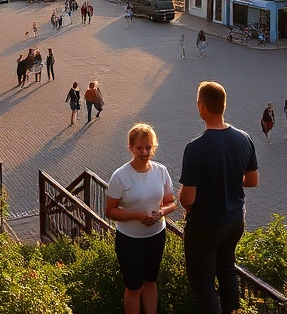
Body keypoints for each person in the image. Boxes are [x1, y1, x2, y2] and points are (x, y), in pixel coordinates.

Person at [178, 81, 259, 314]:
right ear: (224, 105)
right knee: (227, 270)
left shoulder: (196, 147)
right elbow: (252, 180)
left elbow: (187, 200)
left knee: (203, 284)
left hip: (205, 225)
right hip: (235, 221)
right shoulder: (244, 138)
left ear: (202, 107)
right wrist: (230, 180)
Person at [105, 124, 176, 314]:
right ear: (130, 148)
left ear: (154, 146)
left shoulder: (161, 171)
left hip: (156, 236)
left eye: (148, 147)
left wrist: (161, 213)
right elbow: (110, 211)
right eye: (139, 148)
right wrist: (137, 215)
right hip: (129, 240)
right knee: (134, 287)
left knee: (151, 282)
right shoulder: (120, 176)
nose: (144, 152)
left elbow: (171, 202)